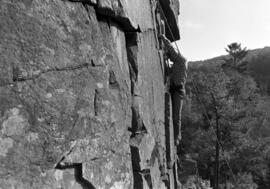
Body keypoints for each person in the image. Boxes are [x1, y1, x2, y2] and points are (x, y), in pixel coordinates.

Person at [160, 34, 188, 146]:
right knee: (172, 115)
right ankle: (174, 135)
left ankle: (177, 137)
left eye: (171, 57)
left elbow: (171, 49)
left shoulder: (181, 60)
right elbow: (168, 71)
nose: (171, 58)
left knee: (176, 116)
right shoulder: (177, 65)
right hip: (173, 90)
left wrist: (163, 37)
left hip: (178, 92)